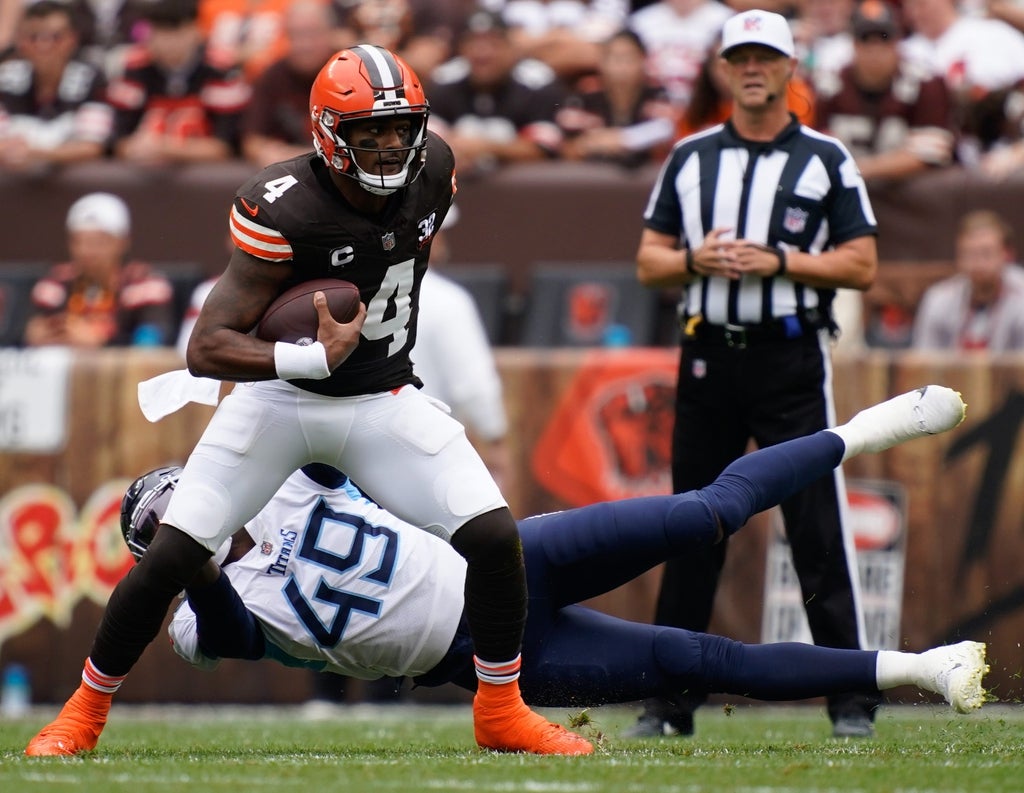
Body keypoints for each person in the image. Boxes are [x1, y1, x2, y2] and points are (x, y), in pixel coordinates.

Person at [25, 43, 591, 758]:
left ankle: (500, 709)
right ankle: (83, 712)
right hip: (281, 402)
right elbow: (206, 348)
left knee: (493, 536)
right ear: (328, 135)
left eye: (400, 128)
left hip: (380, 396)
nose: (390, 146)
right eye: (369, 133)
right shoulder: (282, 205)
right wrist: (305, 354)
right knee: (174, 550)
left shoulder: (436, 170)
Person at [119, 387, 987, 723]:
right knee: (692, 659)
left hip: (508, 565)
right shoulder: (197, 623)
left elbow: (318, 423)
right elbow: (230, 621)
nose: (184, 527)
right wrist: (192, 563)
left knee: (701, 516)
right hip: (487, 656)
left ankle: (864, 428)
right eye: (160, 534)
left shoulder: (279, 485)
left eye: (175, 509)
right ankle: (920, 668)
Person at [631, 9, 881, 740]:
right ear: (721, 68)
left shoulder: (828, 158)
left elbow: (863, 264)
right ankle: (670, 700)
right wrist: (693, 261)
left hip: (788, 359)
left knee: (815, 526)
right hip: (709, 355)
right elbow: (648, 260)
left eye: (764, 57)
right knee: (690, 527)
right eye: (739, 56)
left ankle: (850, 698)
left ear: (789, 68)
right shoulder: (691, 156)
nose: (751, 68)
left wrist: (780, 261)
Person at [814, 1, 956, 183]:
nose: (875, 49)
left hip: (912, 198)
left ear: (898, 43)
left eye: (884, 39)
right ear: (854, 45)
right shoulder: (829, 86)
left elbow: (932, 154)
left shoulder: (925, 83)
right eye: (865, 40)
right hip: (846, 191)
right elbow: (816, 148)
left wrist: (859, 170)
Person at [426, 7, 568, 176]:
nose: (483, 53)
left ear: (511, 48)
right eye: (473, 43)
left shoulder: (537, 83)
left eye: (493, 43)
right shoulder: (444, 80)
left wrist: (486, 148)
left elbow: (546, 148)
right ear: (461, 48)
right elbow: (428, 142)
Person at [107, 0, 251, 167]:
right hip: (146, 174)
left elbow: (225, 146)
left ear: (195, 30)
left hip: (206, 175)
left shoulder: (221, 69)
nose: (166, 42)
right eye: (159, 31)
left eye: (175, 31)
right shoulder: (134, 67)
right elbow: (118, 140)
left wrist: (165, 148)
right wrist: (137, 148)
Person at [22, 193, 176, 348]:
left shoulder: (145, 285)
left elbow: (151, 343)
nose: (86, 251)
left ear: (122, 241)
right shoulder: (55, 282)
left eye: (98, 242)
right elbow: (22, 333)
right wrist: (32, 335)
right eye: (78, 241)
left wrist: (102, 342)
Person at [0, 1, 113, 173]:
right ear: (20, 41)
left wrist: (36, 154)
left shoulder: (92, 78)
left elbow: (92, 146)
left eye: (55, 37)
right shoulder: (6, 77)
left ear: (73, 39)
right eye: (34, 37)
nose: (43, 46)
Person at [555, 27, 678, 169]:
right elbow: (569, 147)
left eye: (628, 57)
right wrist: (589, 144)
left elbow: (667, 131)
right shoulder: (584, 97)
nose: (621, 66)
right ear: (601, 61)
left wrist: (622, 139)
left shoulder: (657, 95)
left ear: (643, 60)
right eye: (614, 57)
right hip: (594, 179)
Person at [239, 0, 339, 168]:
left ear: (332, 33)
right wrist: (266, 152)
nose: (304, 44)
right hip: (291, 176)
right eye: (295, 35)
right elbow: (251, 141)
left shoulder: (349, 72)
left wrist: (293, 155)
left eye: (312, 33)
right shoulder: (271, 77)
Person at [911, 210, 1024, 351]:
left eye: (986, 253)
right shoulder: (938, 299)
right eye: (968, 254)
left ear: (1007, 254)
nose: (978, 263)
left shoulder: (1021, 297)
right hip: (951, 373)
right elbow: (923, 361)